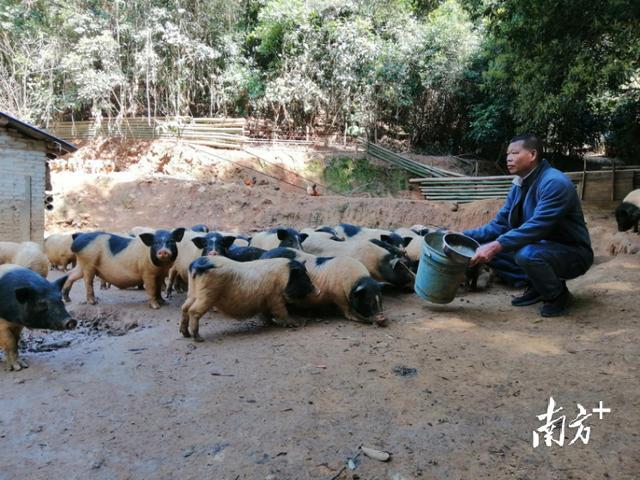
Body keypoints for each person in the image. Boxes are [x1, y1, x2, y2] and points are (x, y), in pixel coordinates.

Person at [464, 133, 593, 317]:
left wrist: (494, 246)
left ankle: (558, 295)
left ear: (532, 155)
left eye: (515, 153)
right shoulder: (518, 184)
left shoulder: (554, 183)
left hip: (572, 252)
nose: (508, 158)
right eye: (508, 154)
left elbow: (537, 227)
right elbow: (500, 224)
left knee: (524, 253)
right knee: (484, 249)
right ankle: (538, 286)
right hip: (540, 246)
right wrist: (464, 235)